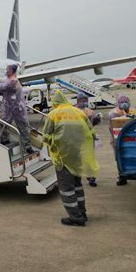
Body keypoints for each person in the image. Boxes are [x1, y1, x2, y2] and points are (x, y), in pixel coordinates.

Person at [42, 91, 99, 227]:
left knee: (66, 189)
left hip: (62, 158)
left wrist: (53, 147)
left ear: (55, 103)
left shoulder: (53, 115)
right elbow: (92, 133)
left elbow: (46, 137)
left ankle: (75, 217)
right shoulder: (79, 113)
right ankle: (82, 212)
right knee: (78, 186)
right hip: (77, 156)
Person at [0, 64, 34, 154]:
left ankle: (27, 146)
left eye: (7, 69)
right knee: (3, 123)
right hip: (10, 107)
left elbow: (3, 88)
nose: (6, 71)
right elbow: (4, 91)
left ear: (12, 70)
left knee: (22, 127)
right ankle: (5, 140)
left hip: (16, 108)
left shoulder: (12, 81)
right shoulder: (9, 79)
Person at [76, 92, 102, 187]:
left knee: (90, 158)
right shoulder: (73, 111)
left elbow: (93, 123)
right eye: (83, 100)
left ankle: (92, 177)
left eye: (86, 100)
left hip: (88, 139)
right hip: (78, 139)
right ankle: (87, 175)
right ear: (78, 100)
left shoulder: (90, 111)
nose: (85, 102)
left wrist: (97, 119)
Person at [108, 95, 133, 186]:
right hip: (117, 139)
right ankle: (122, 176)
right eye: (122, 102)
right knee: (119, 158)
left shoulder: (133, 110)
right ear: (118, 103)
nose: (124, 104)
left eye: (126, 101)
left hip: (131, 138)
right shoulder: (113, 113)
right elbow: (112, 127)